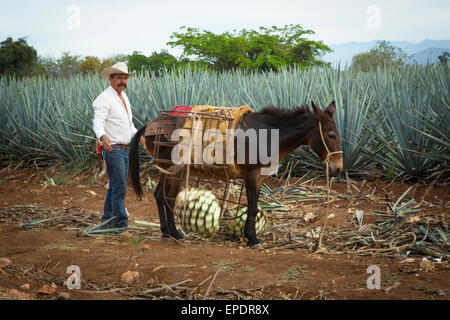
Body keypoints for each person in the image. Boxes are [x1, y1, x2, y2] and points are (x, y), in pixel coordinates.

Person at [92, 61, 146, 232]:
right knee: (120, 188)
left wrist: (140, 139)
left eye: (125, 78)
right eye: (119, 78)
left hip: (123, 149)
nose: (123, 81)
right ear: (111, 79)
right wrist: (102, 136)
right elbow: (98, 121)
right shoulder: (104, 99)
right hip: (113, 149)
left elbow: (129, 125)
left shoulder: (123, 97)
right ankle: (120, 226)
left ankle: (107, 221)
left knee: (115, 187)